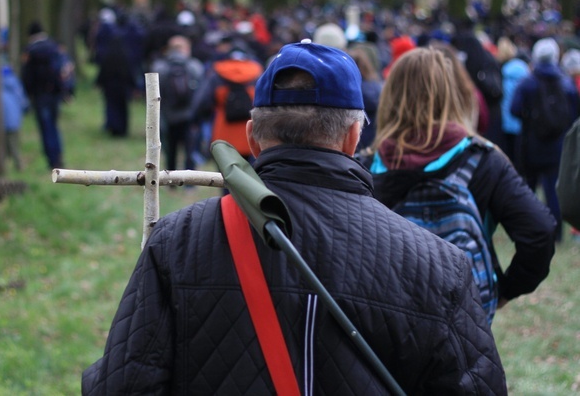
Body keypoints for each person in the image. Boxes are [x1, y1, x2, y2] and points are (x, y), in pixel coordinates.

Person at [83, 40, 507, 395]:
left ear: (252, 136)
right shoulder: (440, 265)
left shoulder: (178, 240)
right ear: (354, 136)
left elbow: (124, 384)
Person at [366, 47, 555, 313]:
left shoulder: (368, 165)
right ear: (451, 94)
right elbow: (540, 230)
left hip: (388, 312)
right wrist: (506, 289)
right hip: (465, 314)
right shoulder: (483, 158)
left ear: (390, 96)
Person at [510, 38, 580, 242]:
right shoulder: (565, 83)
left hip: (531, 145)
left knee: (528, 191)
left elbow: (514, 108)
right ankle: (556, 234)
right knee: (553, 191)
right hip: (557, 146)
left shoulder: (528, 82)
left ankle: (529, 231)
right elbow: (574, 113)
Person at [151, 35, 204, 173]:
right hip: (189, 116)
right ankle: (190, 182)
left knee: (171, 149)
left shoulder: (159, 67)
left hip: (168, 116)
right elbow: (201, 93)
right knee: (190, 149)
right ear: (186, 49)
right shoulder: (194, 66)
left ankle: (170, 180)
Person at [21, 21, 64, 169]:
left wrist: (28, 93)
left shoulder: (30, 51)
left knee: (45, 127)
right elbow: (60, 71)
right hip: (53, 94)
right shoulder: (53, 46)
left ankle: (51, 159)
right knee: (54, 125)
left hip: (40, 95)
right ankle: (58, 156)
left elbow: (27, 76)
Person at [496, 36, 531, 167]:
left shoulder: (501, 74)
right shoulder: (524, 72)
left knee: (507, 155)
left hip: (505, 121)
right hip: (521, 121)